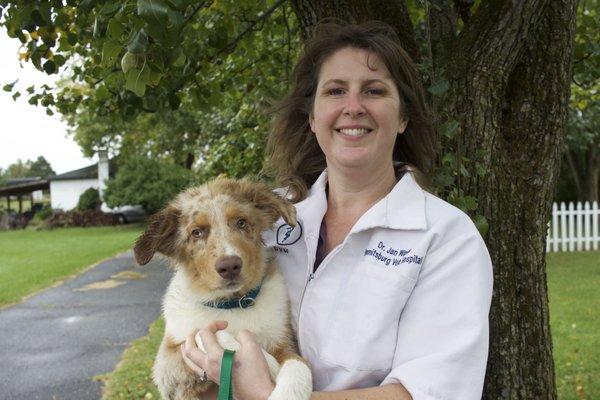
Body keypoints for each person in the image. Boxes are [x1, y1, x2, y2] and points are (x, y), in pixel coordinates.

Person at [181, 21, 493, 400]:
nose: (353, 107)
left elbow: (432, 392)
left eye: (374, 91)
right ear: (312, 117)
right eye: (335, 91)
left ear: (404, 117)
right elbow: (198, 317)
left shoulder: (444, 237)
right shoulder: (263, 218)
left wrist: (267, 395)